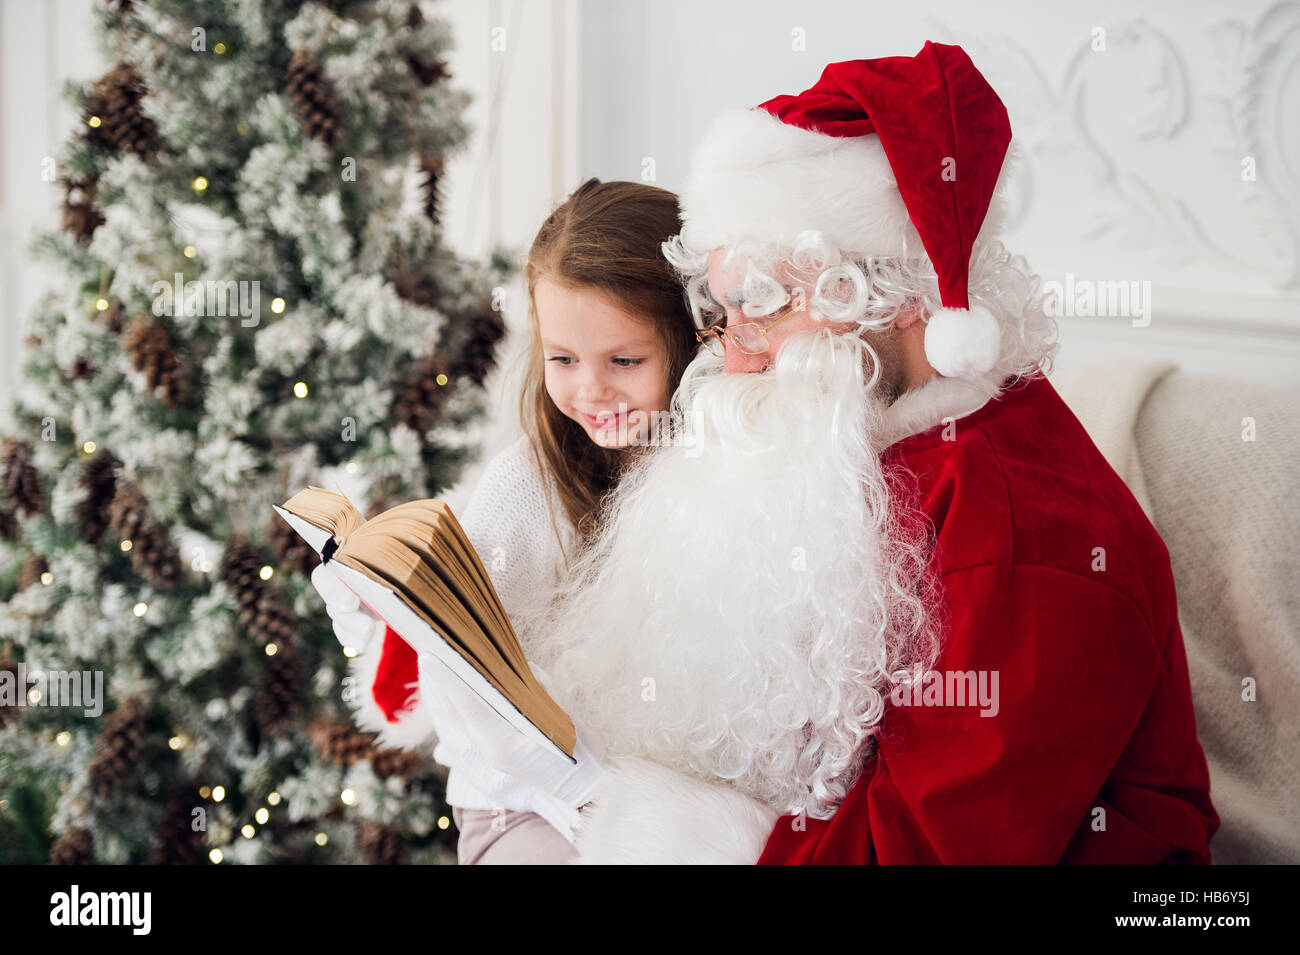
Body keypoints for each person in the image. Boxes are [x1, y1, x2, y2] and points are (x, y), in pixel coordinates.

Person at [396, 41, 1219, 864]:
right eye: (724, 312)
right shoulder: (843, 449)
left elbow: (927, 851)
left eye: (763, 304)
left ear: (895, 295)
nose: (734, 353)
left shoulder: (1023, 530)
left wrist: (670, 834)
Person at [310, 178, 699, 863]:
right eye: (563, 359)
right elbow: (466, 683)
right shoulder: (525, 488)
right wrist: (583, 792)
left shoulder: (713, 464)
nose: (590, 389)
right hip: (520, 803)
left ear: (689, 340)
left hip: (659, 796)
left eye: (625, 360)